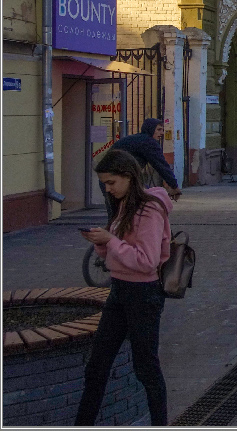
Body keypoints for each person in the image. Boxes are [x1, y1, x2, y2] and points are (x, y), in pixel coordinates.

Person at [76, 149, 173, 426]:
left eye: (111, 183)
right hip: (119, 291)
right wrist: (101, 242)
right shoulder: (123, 205)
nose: (107, 189)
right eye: (104, 183)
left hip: (143, 295)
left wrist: (111, 240)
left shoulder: (150, 209)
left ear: (129, 177)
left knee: (146, 369)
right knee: (97, 366)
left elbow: (146, 261)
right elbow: (114, 256)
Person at [111, 119, 180, 200]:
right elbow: (161, 165)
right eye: (159, 129)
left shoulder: (136, 139)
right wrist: (174, 186)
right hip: (120, 180)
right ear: (150, 129)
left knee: (119, 210)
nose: (162, 133)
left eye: (162, 130)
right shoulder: (148, 142)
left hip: (112, 178)